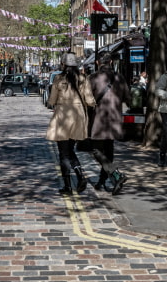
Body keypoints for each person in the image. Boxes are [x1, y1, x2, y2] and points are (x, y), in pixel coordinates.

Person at [46, 52, 96, 195]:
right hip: (78, 116)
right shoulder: (83, 78)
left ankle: (68, 185)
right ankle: (80, 175)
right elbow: (89, 99)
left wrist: (53, 103)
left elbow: (51, 100)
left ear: (63, 64)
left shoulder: (58, 79)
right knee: (70, 150)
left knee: (63, 152)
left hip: (63, 116)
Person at [89, 54, 130, 195]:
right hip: (115, 120)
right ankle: (102, 181)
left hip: (99, 120)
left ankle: (116, 175)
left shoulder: (93, 78)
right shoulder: (120, 78)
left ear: (97, 62)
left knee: (96, 151)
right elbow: (128, 98)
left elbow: (87, 100)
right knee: (109, 151)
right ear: (111, 62)